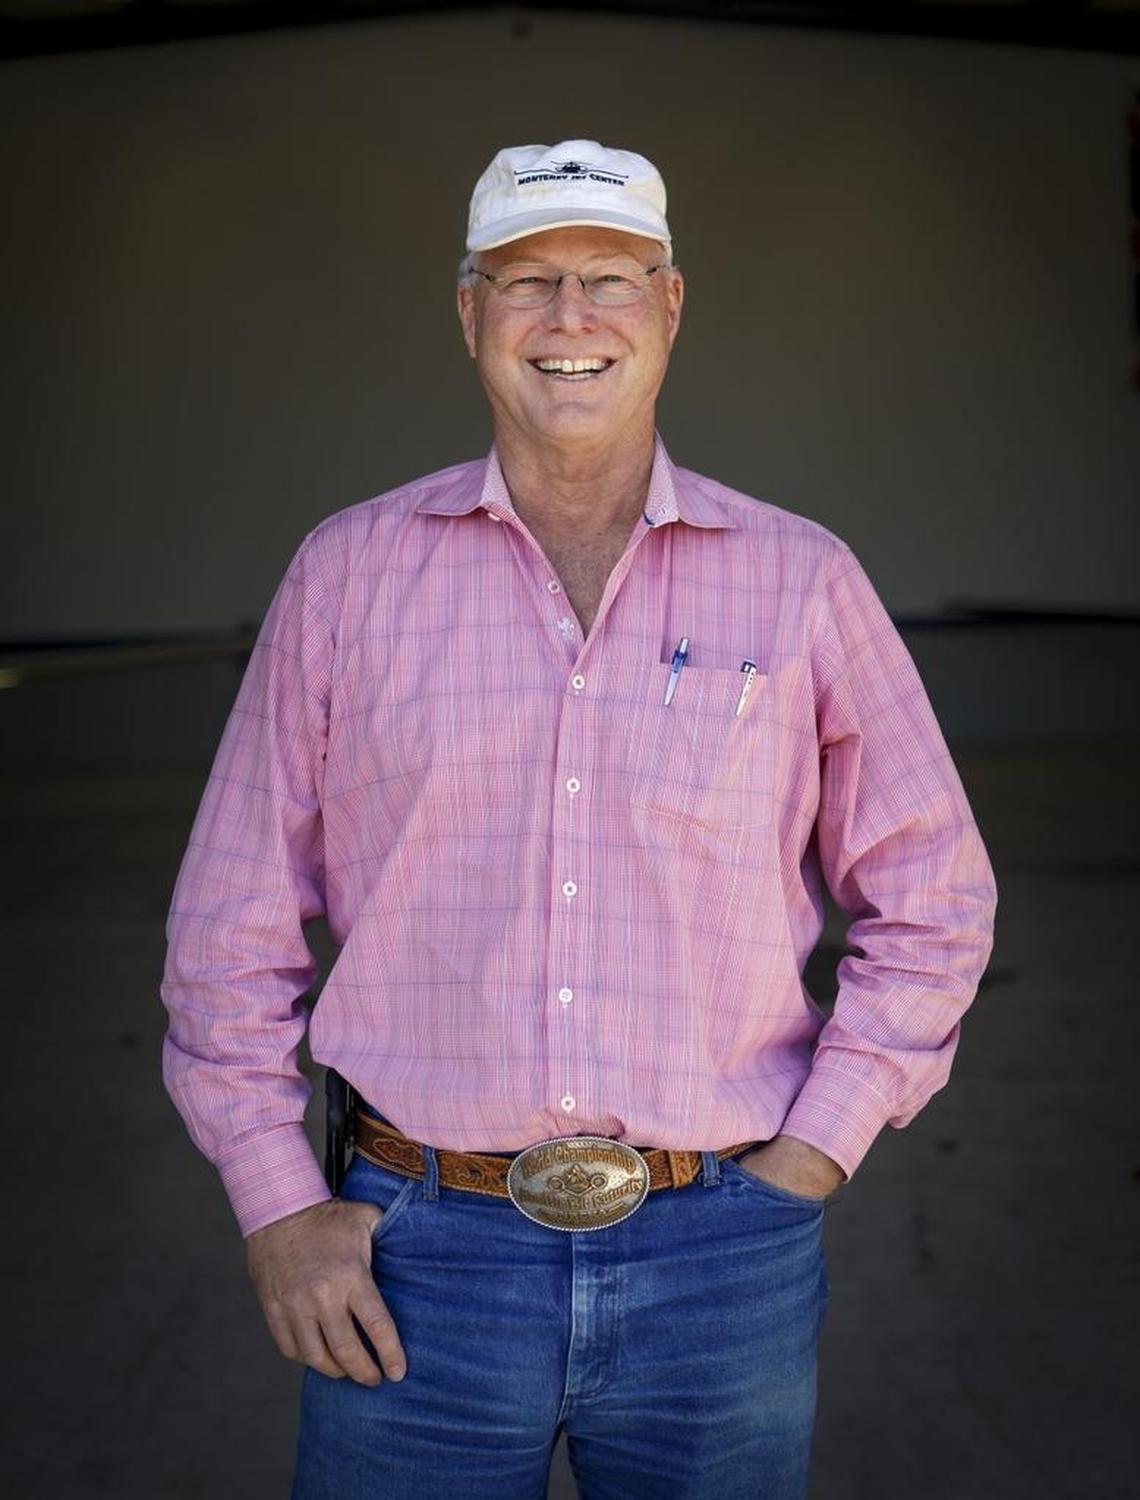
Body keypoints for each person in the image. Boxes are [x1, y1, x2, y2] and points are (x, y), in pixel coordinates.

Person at [160, 139, 997, 1499]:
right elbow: (227, 923)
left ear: (670, 307)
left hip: (722, 1248)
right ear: (469, 311)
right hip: (414, 1256)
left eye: (607, 278)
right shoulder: (347, 574)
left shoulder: (799, 581)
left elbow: (937, 893)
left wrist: (811, 1155)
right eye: (526, 281)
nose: (569, 320)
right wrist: (279, 1204)